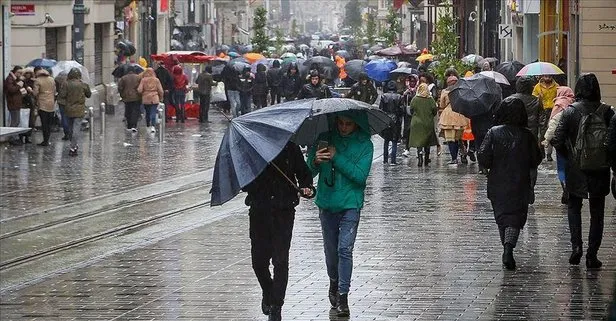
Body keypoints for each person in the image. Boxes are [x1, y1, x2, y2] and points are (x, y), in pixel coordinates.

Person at [306, 110, 374, 318]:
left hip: (350, 203)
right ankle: (333, 281)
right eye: (341, 123)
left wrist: (337, 157)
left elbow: (360, 177)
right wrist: (315, 161)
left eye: (349, 124)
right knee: (331, 250)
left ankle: (343, 295)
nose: (344, 128)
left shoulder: (365, 145)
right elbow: (308, 172)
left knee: (345, 249)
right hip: (327, 202)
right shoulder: (325, 139)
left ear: (356, 125)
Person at [243, 142, 315, 321]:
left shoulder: (290, 147)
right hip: (259, 211)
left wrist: (307, 188)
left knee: (280, 260)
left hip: (284, 211)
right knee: (258, 262)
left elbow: (304, 175)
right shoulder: (253, 149)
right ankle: (268, 292)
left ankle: (277, 306)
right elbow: (244, 183)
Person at [551, 73, 614, 269]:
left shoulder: (570, 112)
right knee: (597, 212)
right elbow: (612, 143)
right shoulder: (607, 112)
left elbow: (556, 139)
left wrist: (570, 155)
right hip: (599, 168)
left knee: (573, 207)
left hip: (575, 168)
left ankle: (576, 247)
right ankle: (592, 255)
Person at [478, 97, 543, 270]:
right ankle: (508, 247)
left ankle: (506, 247)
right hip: (520, 182)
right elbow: (536, 159)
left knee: (502, 217)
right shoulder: (527, 135)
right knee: (515, 218)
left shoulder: (493, 132)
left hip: (498, 182)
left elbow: (483, 157)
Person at [543, 86, 575, 204]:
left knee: (561, 166)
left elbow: (553, 123)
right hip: (572, 142)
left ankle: (565, 187)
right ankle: (571, 187)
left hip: (561, 142)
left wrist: (546, 140)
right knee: (571, 165)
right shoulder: (573, 104)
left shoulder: (559, 104)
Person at [58, 67, 91, 156]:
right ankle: (73, 147)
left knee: (70, 128)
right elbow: (89, 95)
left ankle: (74, 144)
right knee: (76, 128)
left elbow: (62, 95)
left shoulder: (66, 84)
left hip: (68, 109)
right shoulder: (83, 84)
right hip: (79, 109)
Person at [439, 75, 469, 165]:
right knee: (459, 138)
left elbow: (442, 104)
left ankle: (454, 158)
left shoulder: (445, 92)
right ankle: (463, 153)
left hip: (448, 116)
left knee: (451, 139)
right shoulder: (461, 91)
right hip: (459, 114)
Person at [408, 83, 438, 167]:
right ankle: (426, 159)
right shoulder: (431, 99)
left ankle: (420, 156)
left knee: (419, 141)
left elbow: (411, 110)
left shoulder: (415, 99)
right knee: (427, 141)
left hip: (417, 123)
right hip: (428, 122)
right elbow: (434, 111)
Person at [533, 75, 558, 161]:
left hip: (553, 110)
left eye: (549, 76)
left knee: (551, 131)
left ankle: (549, 154)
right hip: (542, 111)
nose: (548, 78)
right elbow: (533, 98)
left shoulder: (556, 86)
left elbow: (558, 97)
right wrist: (538, 98)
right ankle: (542, 152)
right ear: (543, 77)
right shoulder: (537, 86)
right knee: (542, 133)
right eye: (546, 76)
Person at [379, 81, 405, 164]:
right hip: (396, 120)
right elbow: (402, 110)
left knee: (386, 141)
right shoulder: (399, 97)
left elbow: (380, 109)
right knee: (394, 140)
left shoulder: (384, 96)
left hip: (386, 119)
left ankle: (385, 160)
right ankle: (393, 160)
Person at [32, 67, 56, 146]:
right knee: (49, 123)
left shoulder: (37, 80)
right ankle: (47, 139)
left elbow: (35, 93)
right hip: (51, 104)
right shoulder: (51, 79)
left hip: (42, 104)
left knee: (44, 123)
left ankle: (45, 140)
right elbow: (54, 91)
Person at [3, 66, 26, 145]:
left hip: (16, 102)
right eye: (19, 72)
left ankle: (13, 138)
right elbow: (11, 90)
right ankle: (12, 138)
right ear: (14, 72)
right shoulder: (9, 79)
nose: (20, 74)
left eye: (21, 73)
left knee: (16, 121)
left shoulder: (15, 79)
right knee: (15, 122)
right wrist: (19, 85)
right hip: (13, 103)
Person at [138, 68, 164, 132]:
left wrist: (143, 93)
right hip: (154, 97)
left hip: (146, 98)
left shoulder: (143, 80)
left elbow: (139, 90)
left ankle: (148, 125)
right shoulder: (156, 80)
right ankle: (153, 126)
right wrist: (161, 98)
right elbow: (161, 91)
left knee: (147, 112)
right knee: (153, 112)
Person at [118, 66, 142, 131]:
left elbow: (120, 88)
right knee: (135, 111)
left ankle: (129, 125)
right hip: (136, 97)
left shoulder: (123, 78)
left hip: (127, 97)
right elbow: (141, 87)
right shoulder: (138, 77)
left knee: (128, 111)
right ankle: (134, 125)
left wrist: (122, 95)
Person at [402, 74, 419, 157]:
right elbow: (403, 103)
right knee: (408, 131)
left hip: (417, 114)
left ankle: (418, 150)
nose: (412, 83)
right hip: (408, 115)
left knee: (417, 131)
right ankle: (407, 148)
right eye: (410, 81)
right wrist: (405, 95)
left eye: (413, 81)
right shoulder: (406, 92)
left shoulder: (418, 91)